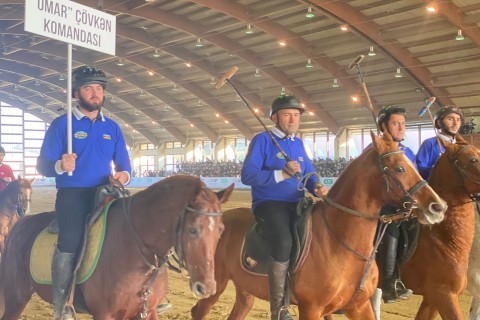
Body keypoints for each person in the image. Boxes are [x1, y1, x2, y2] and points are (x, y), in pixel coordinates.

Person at [37, 65, 131, 320]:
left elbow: (125, 166)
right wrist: (60, 165)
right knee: (72, 238)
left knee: (133, 229)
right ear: (77, 93)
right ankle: (62, 302)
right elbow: (42, 165)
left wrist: (121, 176)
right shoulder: (61, 125)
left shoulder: (112, 128)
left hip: (106, 192)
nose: (95, 93)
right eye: (88, 88)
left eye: (99, 88)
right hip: (73, 194)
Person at [241, 94, 328, 320]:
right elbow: (247, 175)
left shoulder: (297, 143)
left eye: (297, 115)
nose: (293, 120)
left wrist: (317, 186)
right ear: (274, 117)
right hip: (269, 203)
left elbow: (308, 172)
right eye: (287, 115)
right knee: (284, 241)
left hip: (298, 203)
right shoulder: (262, 140)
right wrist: (282, 173)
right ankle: (279, 308)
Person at [374, 105, 415, 303]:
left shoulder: (408, 151)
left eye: (403, 124)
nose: (401, 128)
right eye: (395, 123)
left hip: (409, 205)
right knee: (392, 228)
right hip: (384, 206)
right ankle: (389, 283)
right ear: (384, 126)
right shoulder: (376, 150)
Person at [416, 105, 463, 180]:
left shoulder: (461, 145)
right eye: (450, 119)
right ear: (439, 122)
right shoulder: (429, 143)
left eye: (458, 119)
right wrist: (439, 169)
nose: (455, 123)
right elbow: (419, 169)